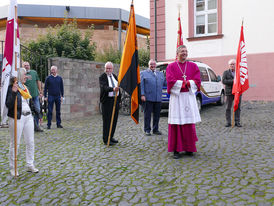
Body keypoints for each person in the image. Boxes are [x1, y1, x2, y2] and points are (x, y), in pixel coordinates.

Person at [166, 45, 201, 159]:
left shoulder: (193, 66)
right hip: (177, 98)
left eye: (186, 51)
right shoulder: (171, 66)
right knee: (176, 124)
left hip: (188, 97)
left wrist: (189, 83)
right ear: (177, 53)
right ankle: (176, 149)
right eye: (182, 51)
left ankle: (189, 148)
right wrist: (182, 83)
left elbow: (197, 80)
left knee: (188, 123)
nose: (184, 53)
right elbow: (170, 80)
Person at [6, 68, 39, 176]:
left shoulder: (25, 87)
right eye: (25, 75)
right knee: (15, 143)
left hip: (28, 117)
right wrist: (14, 92)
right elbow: (8, 104)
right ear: (20, 76)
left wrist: (37, 113)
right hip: (17, 117)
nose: (26, 77)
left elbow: (29, 102)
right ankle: (13, 167)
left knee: (30, 142)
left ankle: (30, 164)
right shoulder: (12, 88)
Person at [140, 59, 166, 136]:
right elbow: (141, 85)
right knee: (147, 115)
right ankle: (147, 130)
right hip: (148, 98)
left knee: (157, 115)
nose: (153, 66)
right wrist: (142, 94)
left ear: (156, 65)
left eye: (154, 64)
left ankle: (155, 129)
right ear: (149, 65)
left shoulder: (160, 74)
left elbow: (165, 83)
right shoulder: (143, 73)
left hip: (158, 98)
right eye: (151, 64)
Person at [99, 61, 120, 146]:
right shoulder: (102, 77)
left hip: (115, 101)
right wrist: (112, 89)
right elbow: (104, 87)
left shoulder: (114, 76)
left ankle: (111, 137)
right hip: (107, 101)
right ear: (105, 68)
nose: (108, 70)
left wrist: (119, 100)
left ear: (112, 69)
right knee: (107, 121)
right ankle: (106, 139)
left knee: (114, 120)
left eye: (110, 68)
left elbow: (118, 88)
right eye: (107, 68)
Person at [23, 62, 43, 132]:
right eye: (25, 65)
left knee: (37, 110)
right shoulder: (22, 74)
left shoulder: (34, 72)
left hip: (35, 95)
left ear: (29, 66)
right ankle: (28, 127)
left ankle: (37, 126)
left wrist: (40, 91)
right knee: (28, 112)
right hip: (26, 97)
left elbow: (38, 81)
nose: (26, 67)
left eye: (27, 65)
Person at [222, 59, 242, 127]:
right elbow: (224, 81)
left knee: (237, 107)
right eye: (231, 64)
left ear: (235, 65)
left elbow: (242, 81)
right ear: (229, 65)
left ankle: (237, 122)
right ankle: (228, 122)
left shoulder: (239, 72)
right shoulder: (226, 72)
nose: (232, 65)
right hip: (229, 92)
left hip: (237, 92)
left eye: (233, 64)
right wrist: (233, 81)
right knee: (228, 107)